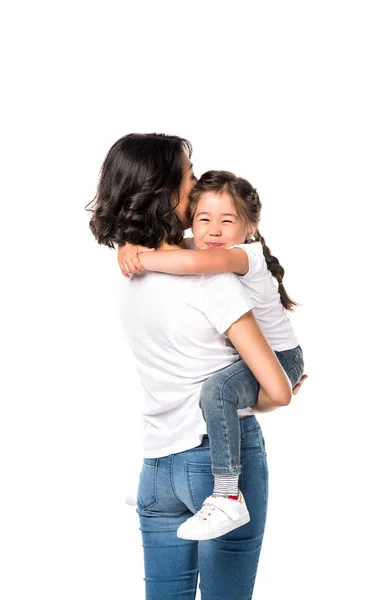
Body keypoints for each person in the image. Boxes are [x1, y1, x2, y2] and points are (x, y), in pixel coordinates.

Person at [87, 133, 303, 600]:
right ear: (167, 193)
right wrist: (278, 388)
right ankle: (227, 498)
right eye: (188, 177)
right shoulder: (214, 279)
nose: (196, 182)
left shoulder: (131, 274)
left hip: (156, 467)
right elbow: (279, 391)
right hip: (217, 465)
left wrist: (131, 245)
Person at [117, 170, 305, 541]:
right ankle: (162, 478)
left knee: (215, 390)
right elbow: (181, 246)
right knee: (209, 385)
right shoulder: (208, 245)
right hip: (255, 361)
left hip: (281, 357)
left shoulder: (243, 256)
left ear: (250, 227)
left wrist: (139, 258)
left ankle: (226, 495)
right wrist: (127, 245)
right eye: (203, 219)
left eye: (227, 221)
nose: (213, 231)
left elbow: (188, 263)